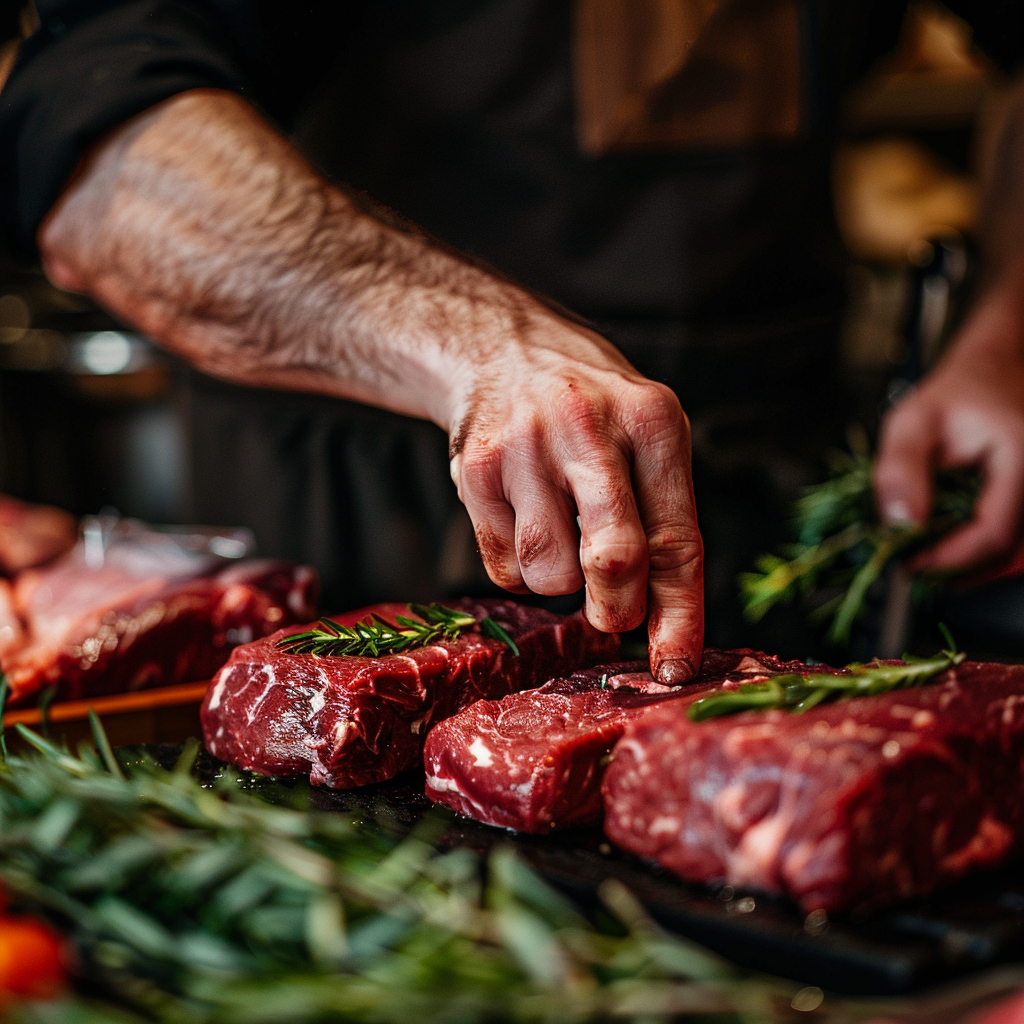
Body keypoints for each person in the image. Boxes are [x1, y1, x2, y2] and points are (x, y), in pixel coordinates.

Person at [1, 1, 1022, 678]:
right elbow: (100, 143)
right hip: (368, 501)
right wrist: (477, 346)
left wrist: (1003, 331)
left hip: (783, 469)